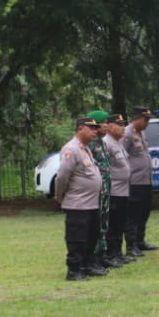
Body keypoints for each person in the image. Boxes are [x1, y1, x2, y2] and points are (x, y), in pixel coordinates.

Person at [53, 117, 104, 281]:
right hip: (78, 204)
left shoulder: (85, 148)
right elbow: (62, 176)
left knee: (91, 237)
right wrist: (59, 196)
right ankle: (74, 270)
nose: (95, 131)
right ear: (81, 128)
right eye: (91, 128)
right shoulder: (71, 149)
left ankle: (87, 265)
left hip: (91, 204)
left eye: (96, 128)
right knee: (77, 238)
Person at [84, 110, 126, 270]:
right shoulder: (91, 143)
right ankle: (93, 258)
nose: (107, 126)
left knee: (104, 224)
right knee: (96, 224)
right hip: (96, 192)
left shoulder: (101, 142)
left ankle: (102, 255)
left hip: (106, 191)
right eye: (104, 123)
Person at [122, 107, 157, 255]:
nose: (148, 123)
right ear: (136, 118)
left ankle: (140, 241)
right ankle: (131, 246)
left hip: (145, 180)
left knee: (144, 212)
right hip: (134, 181)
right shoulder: (127, 133)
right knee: (133, 214)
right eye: (145, 119)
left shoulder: (141, 132)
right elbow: (122, 156)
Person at [101, 114, 134, 264]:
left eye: (124, 124)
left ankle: (118, 253)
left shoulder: (118, 142)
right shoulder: (106, 143)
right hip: (113, 191)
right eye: (120, 125)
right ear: (111, 126)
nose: (123, 128)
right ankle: (110, 255)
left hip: (123, 191)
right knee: (112, 225)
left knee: (120, 224)